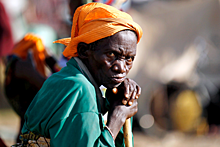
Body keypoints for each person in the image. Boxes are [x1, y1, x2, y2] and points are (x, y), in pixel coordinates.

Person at [19, 2, 142, 147]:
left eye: (129, 58)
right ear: (84, 51)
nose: (121, 68)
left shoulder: (70, 78)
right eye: (111, 54)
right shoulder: (79, 88)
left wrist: (116, 102)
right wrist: (117, 118)